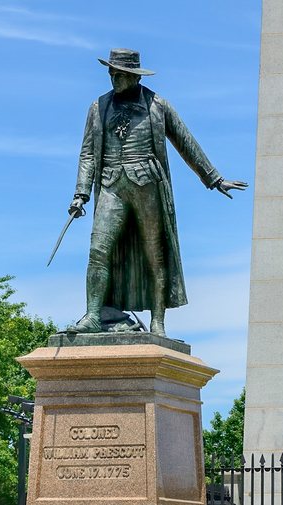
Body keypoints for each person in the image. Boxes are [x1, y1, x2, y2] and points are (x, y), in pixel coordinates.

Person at [67, 49, 247, 336]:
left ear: (134, 76)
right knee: (97, 251)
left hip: (147, 185)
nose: (114, 79)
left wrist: (214, 178)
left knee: (155, 254)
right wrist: (81, 194)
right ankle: (92, 315)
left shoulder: (157, 106)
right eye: (111, 73)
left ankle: (157, 322)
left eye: (120, 74)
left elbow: (185, 143)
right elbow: (88, 154)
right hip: (112, 184)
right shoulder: (98, 107)